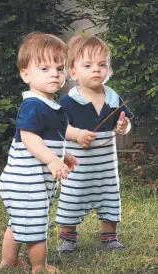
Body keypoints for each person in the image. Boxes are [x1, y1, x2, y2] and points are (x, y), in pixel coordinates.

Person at [0, 32, 78, 273]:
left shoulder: (53, 106)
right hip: (26, 183)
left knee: (21, 222)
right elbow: (29, 138)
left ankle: (9, 261)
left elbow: (48, 140)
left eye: (59, 67)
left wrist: (62, 155)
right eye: (44, 68)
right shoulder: (33, 105)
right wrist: (52, 160)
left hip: (29, 182)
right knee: (36, 226)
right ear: (26, 74)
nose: (54, 73)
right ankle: (39, 267)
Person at [55, 34, 134, 252]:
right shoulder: (69, 101)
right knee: (72, 199)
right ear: (73, 72)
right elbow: (61, 128)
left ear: (109, 69)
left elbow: (124, 125)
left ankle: (109, 236)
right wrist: (77, 135)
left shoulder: (113, 98)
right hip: (79, 168)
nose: (96, 70)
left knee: (110, 196)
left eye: (102, 64)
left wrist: (122, 127)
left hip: (106, 169)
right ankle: (68, 237)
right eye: (88, 65)